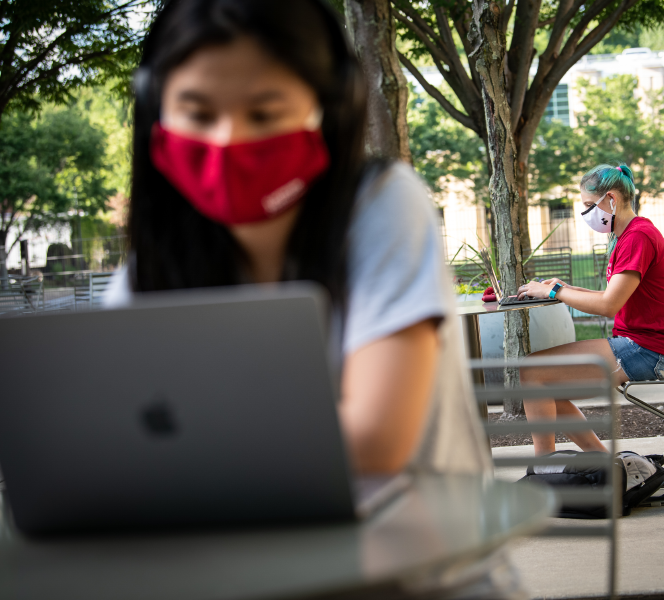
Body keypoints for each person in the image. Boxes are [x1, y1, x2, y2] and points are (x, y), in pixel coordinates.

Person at [103, 1, 529, 597]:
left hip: (423, 580)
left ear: (329, 108)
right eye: (197, 113)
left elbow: (376, 437)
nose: (229, 140)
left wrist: (177, 447)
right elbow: (102, 438)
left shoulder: (382, 204)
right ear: (156, 112)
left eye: (264, 112)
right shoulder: (151, 269)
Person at [515, 164, 664, 456]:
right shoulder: (627, 234)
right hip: (643, 345)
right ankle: (601, 463)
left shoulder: (637, 237)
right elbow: (612, 296)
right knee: (539, 377)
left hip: (651, 351)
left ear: (610, 199)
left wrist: (556, 292)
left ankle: (545, 468)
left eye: (588, 206)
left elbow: (609, 306)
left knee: (533, 373)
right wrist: (566, 288)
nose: (585, 214)